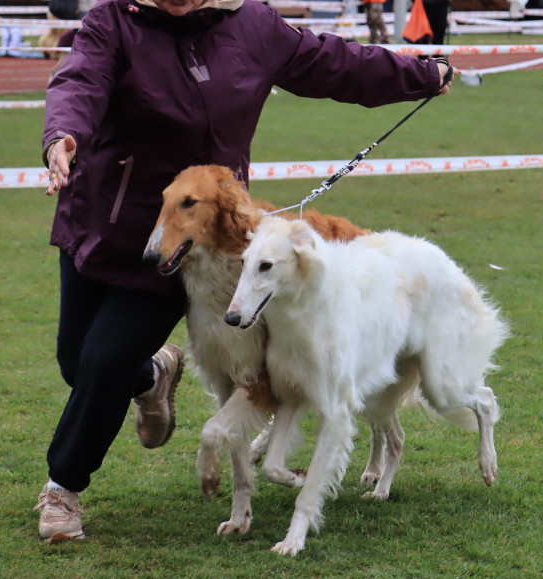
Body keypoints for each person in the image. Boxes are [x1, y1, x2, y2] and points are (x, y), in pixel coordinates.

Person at [36, 0, 454, 542]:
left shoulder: (253, 25)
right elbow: (78, 82)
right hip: (102, 219)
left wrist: (422, 72)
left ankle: (62, 488)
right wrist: (61, 137)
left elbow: (336, 62)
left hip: (188, 245)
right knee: (77, 362)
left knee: (103, 360)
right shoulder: (113, 20)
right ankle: (153, 375)